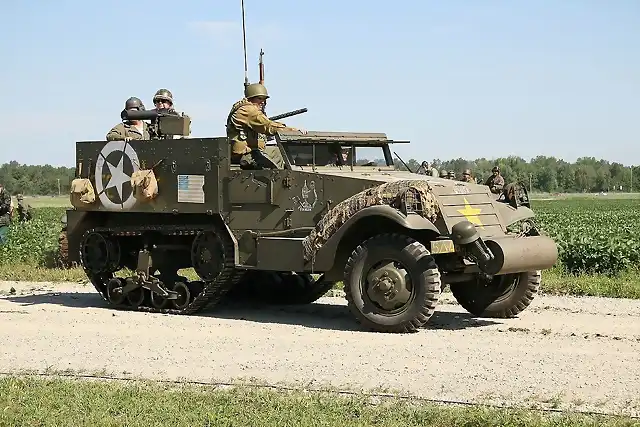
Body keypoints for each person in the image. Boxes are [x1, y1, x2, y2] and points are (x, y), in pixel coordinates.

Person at [226, 83, 306, 169]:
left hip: (253, 151)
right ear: (250, 98)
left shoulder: (250, 109)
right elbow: (268, 126)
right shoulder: (248, 110)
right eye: (259, 98)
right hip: (245, 155)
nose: (263, 102)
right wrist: (292, 131)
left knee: (278, 152)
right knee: (273, 169)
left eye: (264, 99)